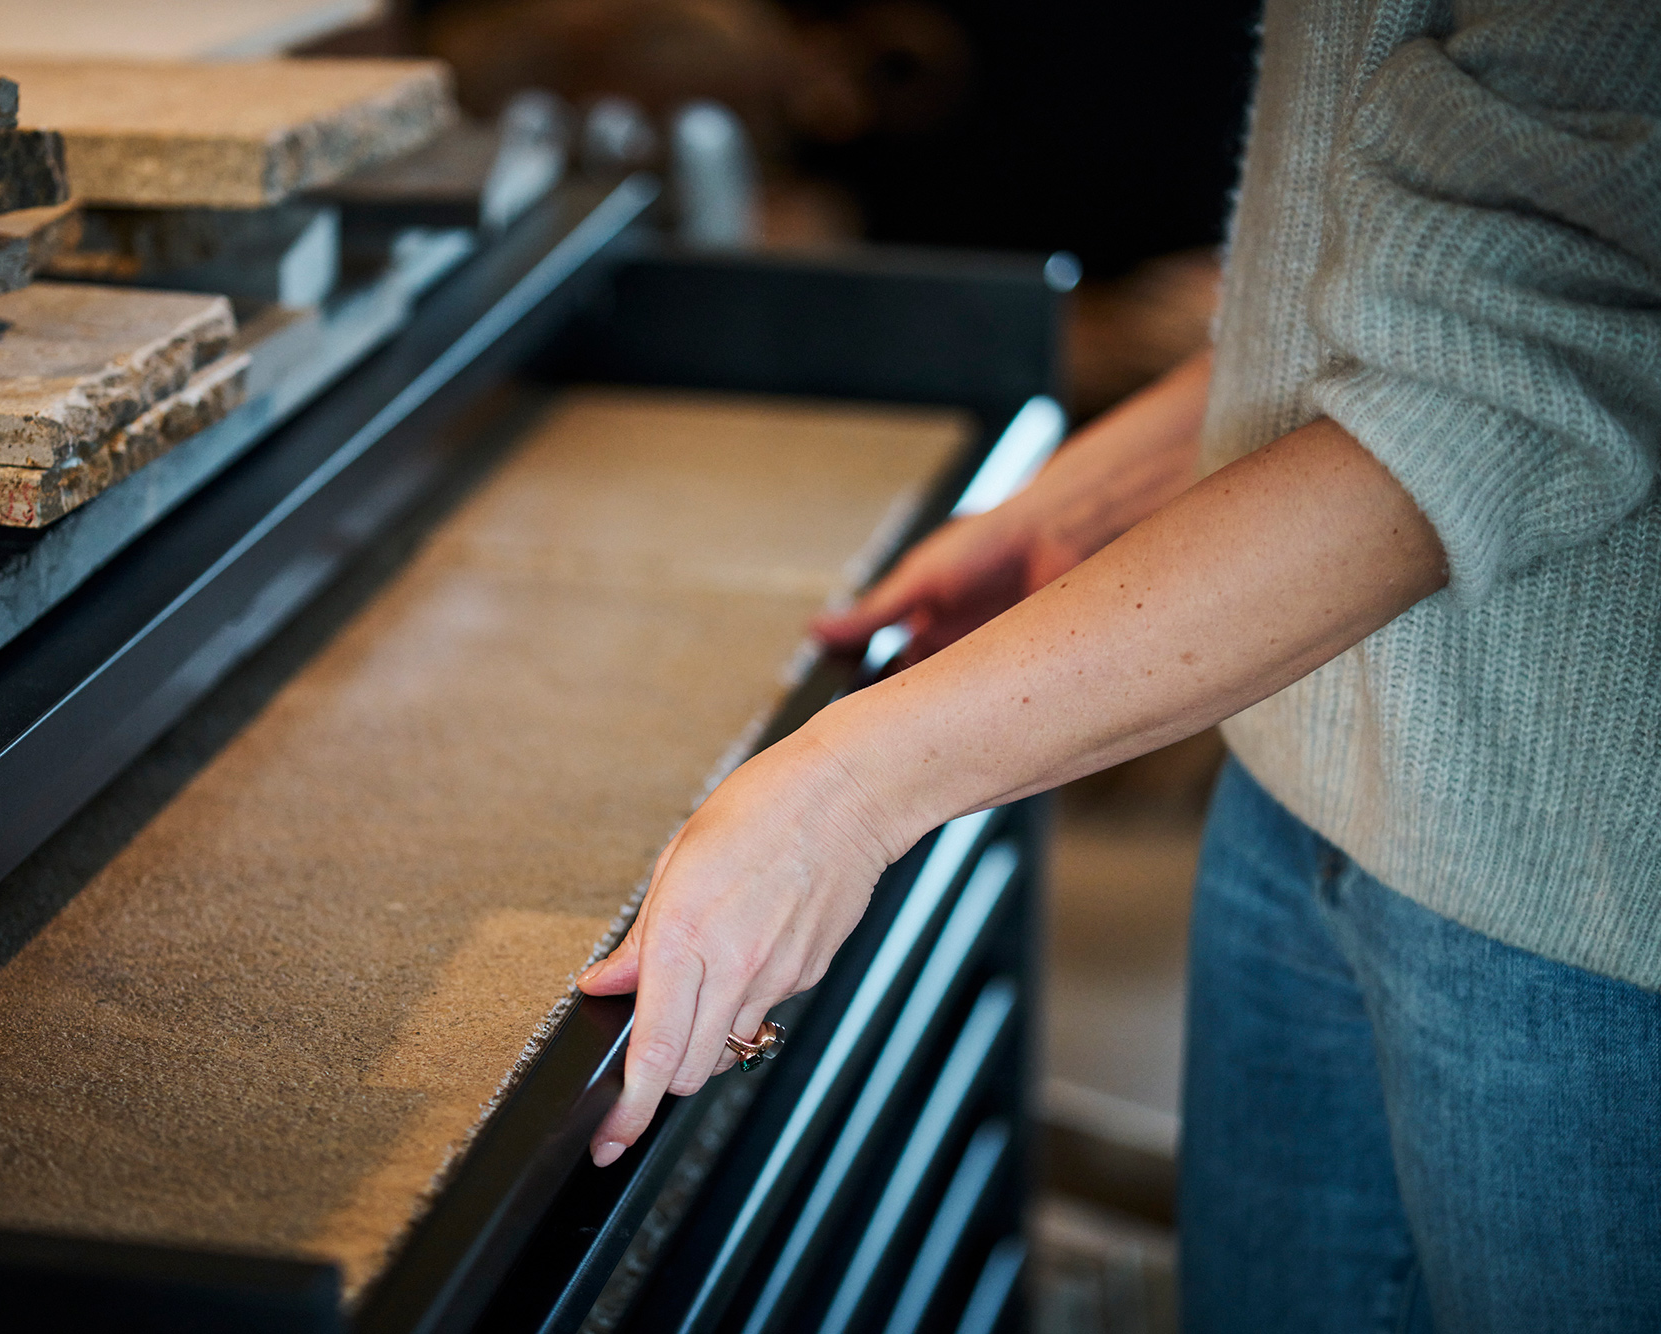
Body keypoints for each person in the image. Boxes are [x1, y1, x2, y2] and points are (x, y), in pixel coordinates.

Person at [575, 0, 1661, 1328]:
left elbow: (1536, 354)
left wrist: (848, 791)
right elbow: (1416, 272)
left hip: (1580, 904)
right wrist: (1088, 498)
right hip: (1301, 776)